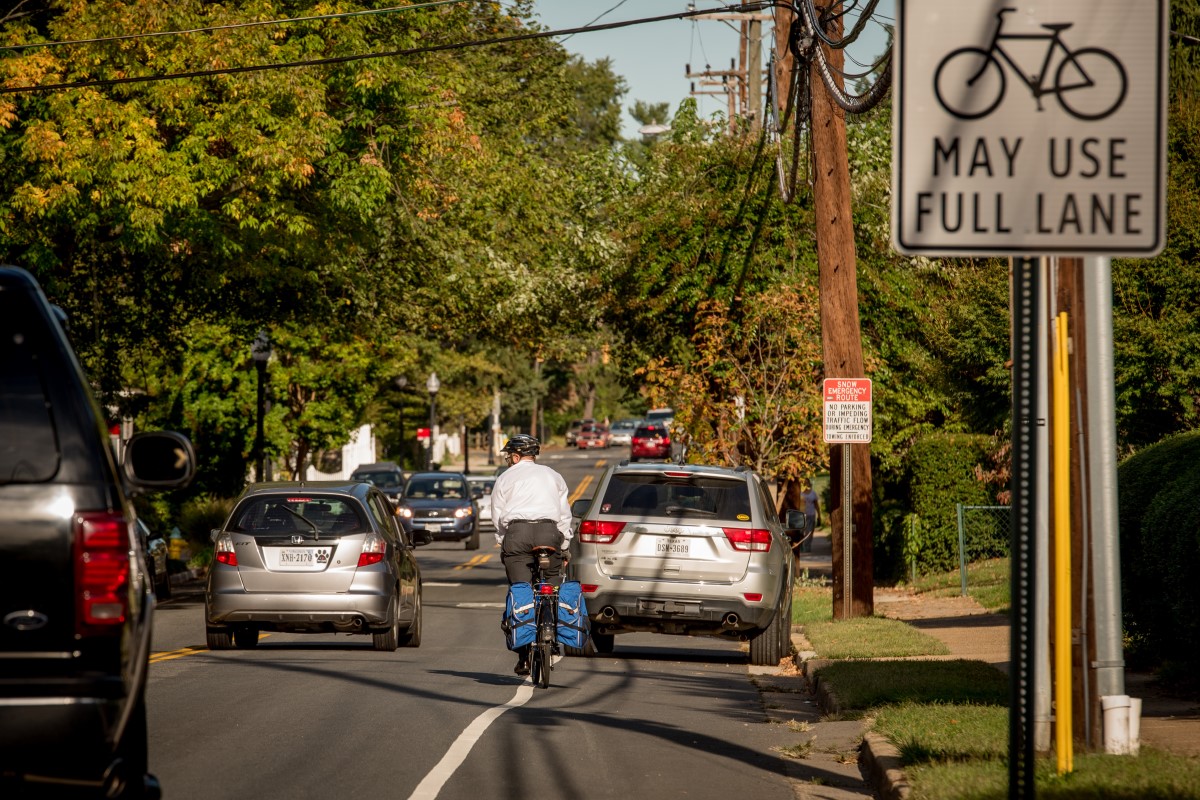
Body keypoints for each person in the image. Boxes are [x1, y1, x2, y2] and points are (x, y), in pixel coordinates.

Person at [490, 433, 573, 675]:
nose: (508, 460)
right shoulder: (553, 476)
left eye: (509, 456)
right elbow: (564, 515)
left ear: (516, 456)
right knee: (553, 584)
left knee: (521, 592)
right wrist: (564, 544)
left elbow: (498, 518)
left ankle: (524, 656)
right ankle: (553, 629)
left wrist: (504, 542)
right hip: (549, 532)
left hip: (518, 534)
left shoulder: (505, 478)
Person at [800, 479, 821, 547]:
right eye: (804, 483)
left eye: (807, 483)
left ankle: (807, 545)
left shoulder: (813, 493)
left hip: (811, 514)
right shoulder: (800, 493)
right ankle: (802, 546)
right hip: (802, 515)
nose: (806, 484)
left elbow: (816, 505)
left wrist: (819, 516)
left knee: (809, 531)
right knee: (801, 531)